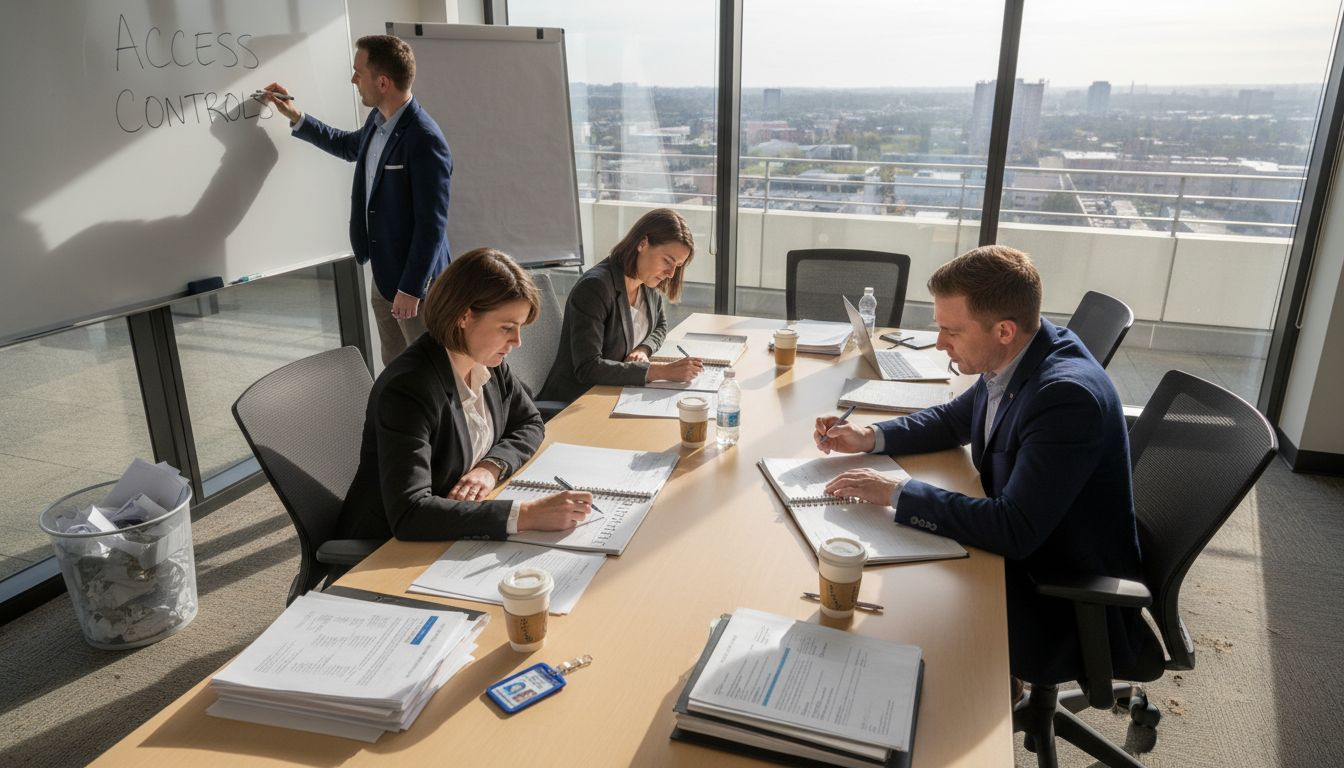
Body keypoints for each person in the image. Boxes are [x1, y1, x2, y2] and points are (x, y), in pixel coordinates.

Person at [813, 245, 1148, 690]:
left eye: (951, 331)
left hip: (1052, 588)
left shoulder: (1065, 398)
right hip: (1021, 550)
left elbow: (1014, 529)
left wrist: (894, 492)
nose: (939, 343)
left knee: (891, 624)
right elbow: (956, 418)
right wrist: (871, 438)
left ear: (1004, 330)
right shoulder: (1022, 353)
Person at [337, 248, 594, 541]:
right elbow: (410, 513)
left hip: (460, 523)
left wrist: (491, 467)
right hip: (389, 547)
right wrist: (526, 515)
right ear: (464, 316)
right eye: (507, 328)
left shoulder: (488, 364)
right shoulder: (409, 389)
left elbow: (531, 423)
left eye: (519, 328)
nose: (517, 341)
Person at [261, 34, 451, 365]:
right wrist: (295, 115)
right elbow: (348, 146)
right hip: (384, 273)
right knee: (395, 367)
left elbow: (431, 225)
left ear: (383, 81)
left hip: (417, 286)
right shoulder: (377, 122)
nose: (353, 80)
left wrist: (411, 288)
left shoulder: (425, 139)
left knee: (432, 370)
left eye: (357, 72)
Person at [538, 208, 704, 404]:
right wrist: (658, 371)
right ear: (643, 243)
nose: (670, 273)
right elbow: (588, 368)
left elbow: (660, 326)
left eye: (677, 266)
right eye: (667, 260)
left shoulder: (647, 283)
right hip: (579, 401)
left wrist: (643, 349)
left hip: (617, 394)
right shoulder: (595, 287)